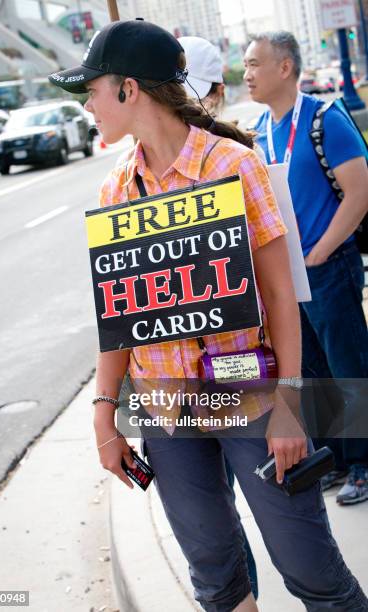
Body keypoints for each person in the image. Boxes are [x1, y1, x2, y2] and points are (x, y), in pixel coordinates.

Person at [49, 19, 368, 611]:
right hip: (166, 407)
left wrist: (293, 407)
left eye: (91, 89)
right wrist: (104, 413)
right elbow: (119, 316)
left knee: (311, 571)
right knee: (215, 579)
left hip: (248, 390)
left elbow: (279, 296)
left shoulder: (233, 165)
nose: (87, 104)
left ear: (129, 90)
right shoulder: (116, 191)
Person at [244, 31, 368, 506]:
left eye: (256, 64)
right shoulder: (259, 132)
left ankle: (362, 463)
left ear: (285, 68)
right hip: (292, 275)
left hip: (328, 266)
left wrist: (320, 252)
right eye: (246, 65)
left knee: (349, 368)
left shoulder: (324, 120)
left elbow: (359, 193)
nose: (248, 74)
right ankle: (336, 458)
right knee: (313, 372)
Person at [180, 34, 259, 601]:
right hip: (191, 376)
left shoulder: (236, 161)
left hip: (235, 365)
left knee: (247, 511)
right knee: (219, 515)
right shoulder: (132, 174)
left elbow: (280, 288)